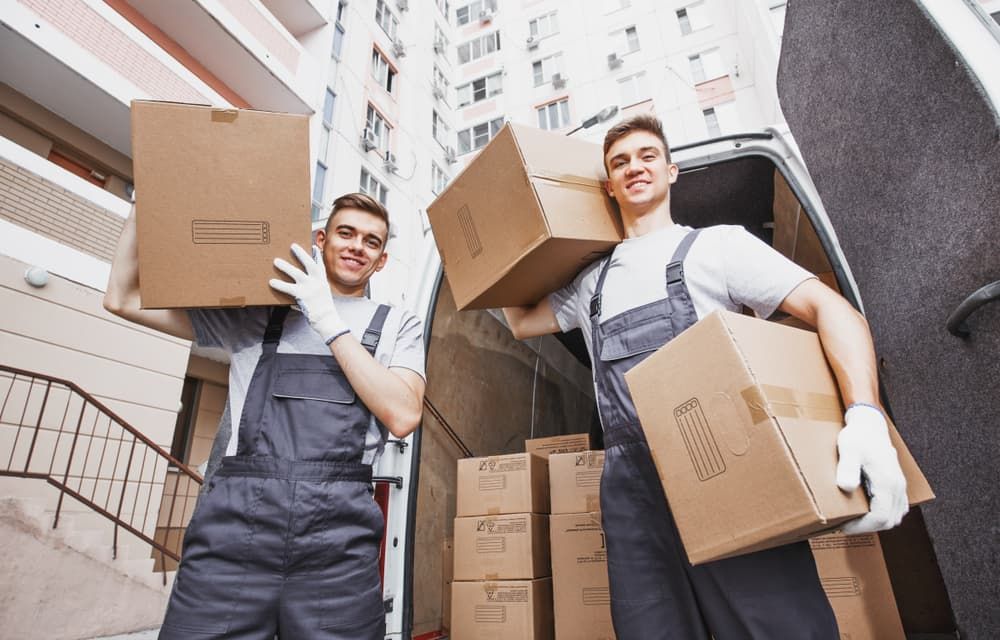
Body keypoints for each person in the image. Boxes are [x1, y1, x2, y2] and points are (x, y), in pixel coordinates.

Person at [503, 115, 908, 639]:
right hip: (631, 492)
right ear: (609, 185)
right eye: (619, 162)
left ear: (672, 171)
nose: (634, 167)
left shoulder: (718, 247)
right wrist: (505, 229)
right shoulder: (589, 284)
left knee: (777, 626)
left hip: (727, 467)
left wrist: (865, 416)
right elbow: (518, 321)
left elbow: (835, 312)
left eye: (647, 155)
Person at [104, 192, 426, 639]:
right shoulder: (256, 315)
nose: (357, 246)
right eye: (346, 233)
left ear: (382, 260)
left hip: (337, 552)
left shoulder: (397, 324)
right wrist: (144, 202)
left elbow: (404, 413)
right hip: (232, 541)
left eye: (371, 242)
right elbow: (123, 298)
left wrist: (327, 320)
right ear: (320, 239)